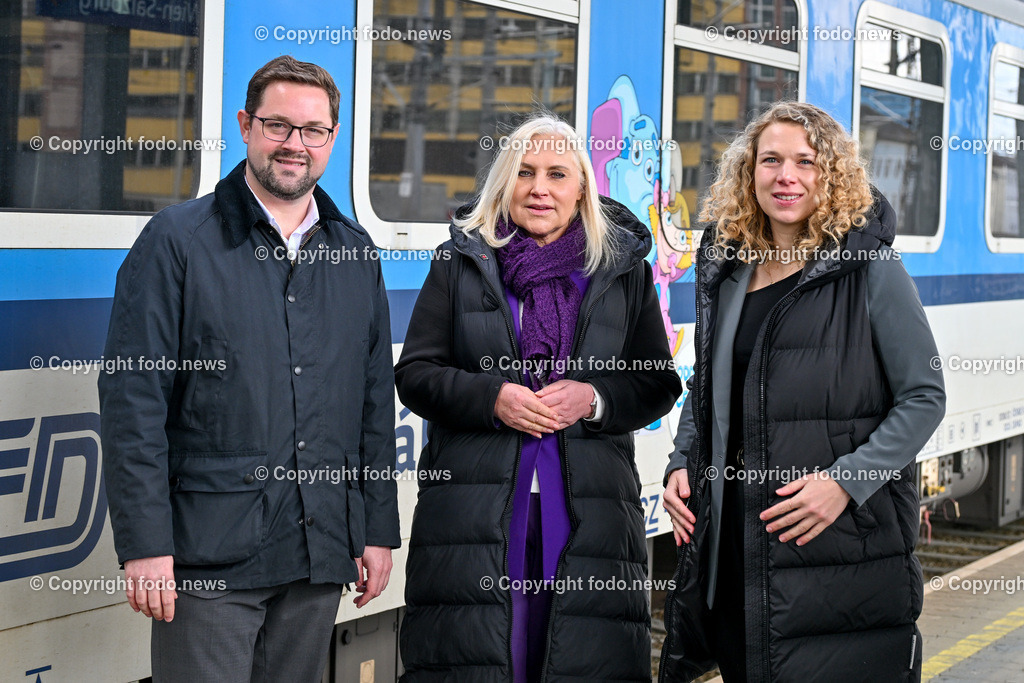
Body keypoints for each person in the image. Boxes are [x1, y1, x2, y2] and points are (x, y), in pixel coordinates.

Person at [98, 55, 400, 681]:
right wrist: (146, 545)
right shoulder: (177, 242)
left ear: (332, 138)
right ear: (245, 125)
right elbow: (134, 403)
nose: (295, 144)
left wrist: (376, 529)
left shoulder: (356, 254)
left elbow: (373, 401)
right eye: (278, 125)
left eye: (313, 130)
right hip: (210, 557)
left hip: (319, 548)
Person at [659, 101, 946, 682]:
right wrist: (681, 461)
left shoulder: (872, 269)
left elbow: (924, 396)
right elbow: (708, 384)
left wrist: (847, 482)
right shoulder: (728, 269)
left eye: (805, 162)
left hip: (833, 547)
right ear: (750, 172)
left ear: (831, 174)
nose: (785, 176)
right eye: (770, 160)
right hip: (735, 546)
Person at [394, 114, 681, 682]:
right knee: (481, 659)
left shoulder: (622, 272)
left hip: (589, 513)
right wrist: (492, 397)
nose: (539, 188)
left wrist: (594, 399)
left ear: (581, 188)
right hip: (475, 514)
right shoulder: (462, 263)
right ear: (504, 182)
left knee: (577, 657)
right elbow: (417, 373)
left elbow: (656, 382)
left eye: (556, 173)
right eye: (524, 173)